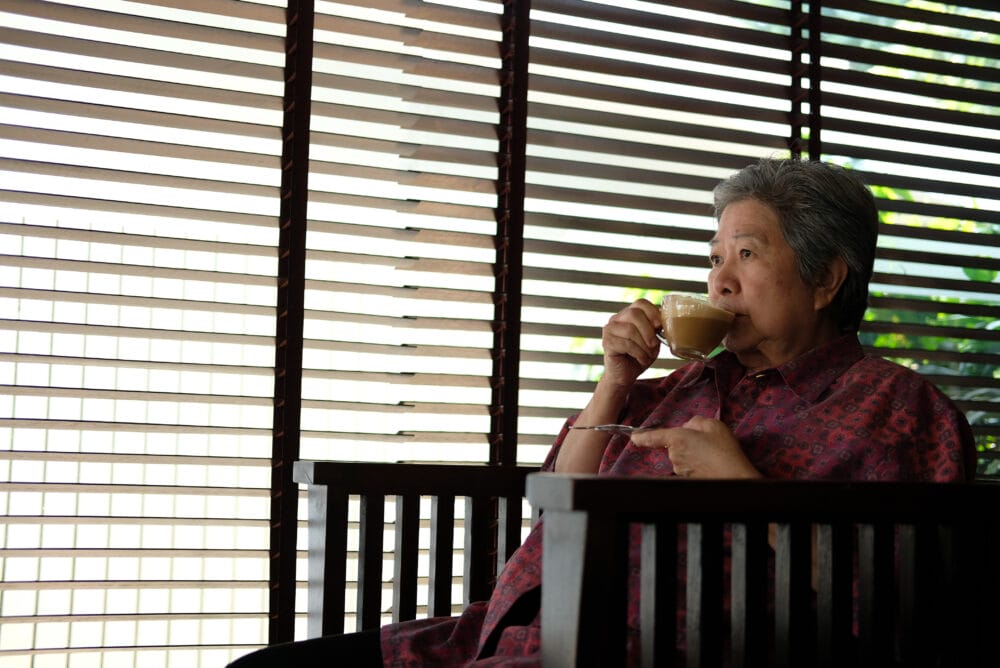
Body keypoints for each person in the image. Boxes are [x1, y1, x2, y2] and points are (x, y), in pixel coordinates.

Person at [227, 158, 977, 667]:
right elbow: (556, 499)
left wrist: (741, 487)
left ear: (826, 281)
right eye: (715, 257)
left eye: (746, 255)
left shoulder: (900, 408)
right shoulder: (682, 384)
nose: (719, 280)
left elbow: (907, 607)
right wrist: (617, 379)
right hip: (514, 634)